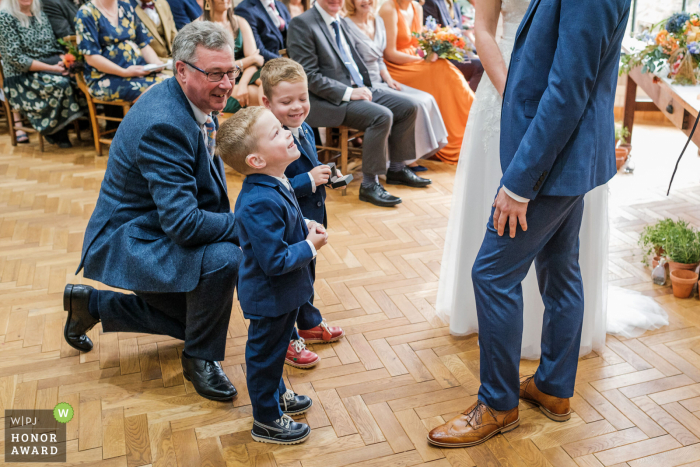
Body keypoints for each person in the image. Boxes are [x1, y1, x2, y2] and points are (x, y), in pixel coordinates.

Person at [428, 0, 632, 448]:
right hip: (564, 157)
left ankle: (498, 404)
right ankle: (554, 388)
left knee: (492, 273)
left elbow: (568, 88)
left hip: (554, 162)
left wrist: (520, 184)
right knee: (560, 269)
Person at [64, 22, 242, 403]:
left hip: (156, 225)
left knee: (195, 320)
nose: (227, 84)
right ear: (181, 70)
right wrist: (246, 225)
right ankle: (200, 359)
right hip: (131, 238)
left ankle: (91, 305)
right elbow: (184, 224)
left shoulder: (191, 99)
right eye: (215, 73)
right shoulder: (164, 123)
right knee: (227, 258)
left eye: (231, 71)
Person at [219, 106, 319, 445]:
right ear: (256, 161)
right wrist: (310, 245)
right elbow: (274, 260)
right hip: (270, 296)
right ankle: (266, 418)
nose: (288, 132)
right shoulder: (258, 200)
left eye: (281, 127)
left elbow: (279, 229)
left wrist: (302, 226)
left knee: (276, 351)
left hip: (283, 295)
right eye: (276, 133)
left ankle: (277, 396)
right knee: (264, 357)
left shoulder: (275, 181)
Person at [287, 0, 430, 208]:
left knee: (409, 107)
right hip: (326, 99)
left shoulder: (340, 21)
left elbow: (354, 60)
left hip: (360, 88)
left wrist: (369, 86)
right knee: (381, 116)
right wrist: (349, 92)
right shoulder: (302, 24)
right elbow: (308, 75)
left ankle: (397, 169)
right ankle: (370, 185)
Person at [260, 58, 345, 369]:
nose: (297, 107)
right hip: (286, 225)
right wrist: (308, 180)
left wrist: (324, 176)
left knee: (306, 275)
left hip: (308, 220)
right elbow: (270, 187)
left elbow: (309, 163)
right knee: (289, 282)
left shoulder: (305, 127)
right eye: (286, 102)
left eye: (302, 98)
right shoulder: (268, 139)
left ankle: (309, 321)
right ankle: (286, 338)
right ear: (267, 102)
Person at [344, 0, 447, 162]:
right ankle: (403, 163)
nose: (365, 1)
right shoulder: (345, 25)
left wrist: (389, 79)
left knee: (428, 98)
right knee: (416, 104)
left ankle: (415, 157)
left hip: (382, 79)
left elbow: (379, 58)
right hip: (363, 84)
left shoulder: (377, 21)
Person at [379, 0, 473, 165]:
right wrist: (420, 58)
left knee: (446, 70)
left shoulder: (416, 7)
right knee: (443, 72)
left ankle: (468, 133)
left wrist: (434, 49)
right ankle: (454, 139)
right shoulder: (389, 8)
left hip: (415, 62)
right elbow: (389, 53)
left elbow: (419, 43)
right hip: (396, 67)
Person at [0, 0, 86, 148]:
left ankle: (76, 128)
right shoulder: (5, 17)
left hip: (48, 65)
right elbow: (16, 59)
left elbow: (54, 45)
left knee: (78, 78)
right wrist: (52, 68)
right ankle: (56, 133)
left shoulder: (39, 13)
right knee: (61, 84)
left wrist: (62, 61)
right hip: (21, 76)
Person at [75, 0, 168, 102]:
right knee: (156, 91)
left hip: (138, 72)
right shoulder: (86, 13)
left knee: (171, 83)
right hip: (106, 78)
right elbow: (92, 58)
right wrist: (124, 72)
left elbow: (143, 44)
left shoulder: (126, 8)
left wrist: (156, 63)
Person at [202, 0, 264, 111]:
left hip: (245, 75)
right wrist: (250, 59)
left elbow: (255, 63)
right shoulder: (200, 26)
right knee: (257, 94)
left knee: (271, 84)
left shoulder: (241, 22)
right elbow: (211, 68)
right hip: (219, 80)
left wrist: (243, 85)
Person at [422, 0, 483, 92]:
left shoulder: (455, 3)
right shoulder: (431, 2)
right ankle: (470, 103)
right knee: (480, 66)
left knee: (485, 61)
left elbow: (460, 34)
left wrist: (475, 52)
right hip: (441, 57)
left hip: (457, 52)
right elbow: (431, 35)